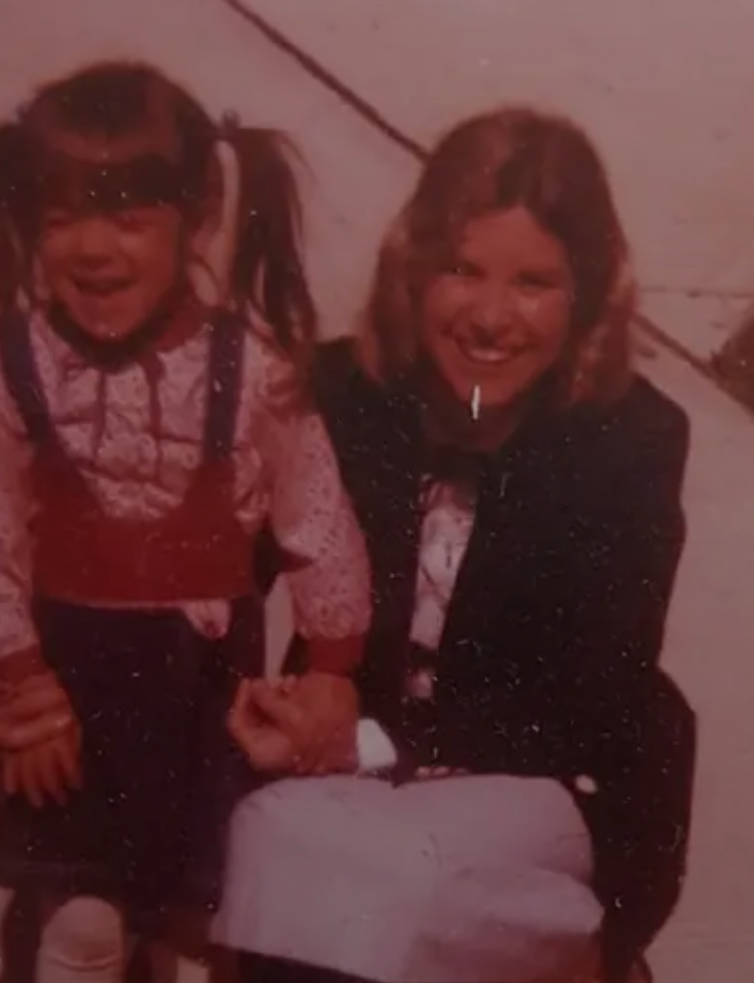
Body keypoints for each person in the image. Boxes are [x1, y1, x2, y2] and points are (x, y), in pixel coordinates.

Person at [216, 108, 697, 983]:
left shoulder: (634, 437)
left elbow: (590, 701)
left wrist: (357, 744)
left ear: (587, 295)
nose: (490, 316)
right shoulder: (340, 390)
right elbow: (217, 575)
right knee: (279, 846)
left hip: (536, 787)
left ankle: (584, 958)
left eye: (534, 283)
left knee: (384, 879)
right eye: (462, 269)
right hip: (344, 792)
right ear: (413, 268)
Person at [0, 61, 370, 983]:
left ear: (197, 217)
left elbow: (316, 516)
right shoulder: (13, 364)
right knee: (80, 919)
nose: (93, 248)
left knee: (196, 916)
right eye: (61, 219)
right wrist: (20, 685)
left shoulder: (252, 369)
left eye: (129, 220)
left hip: (200, 690)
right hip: (67, 694)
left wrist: (332, 668)